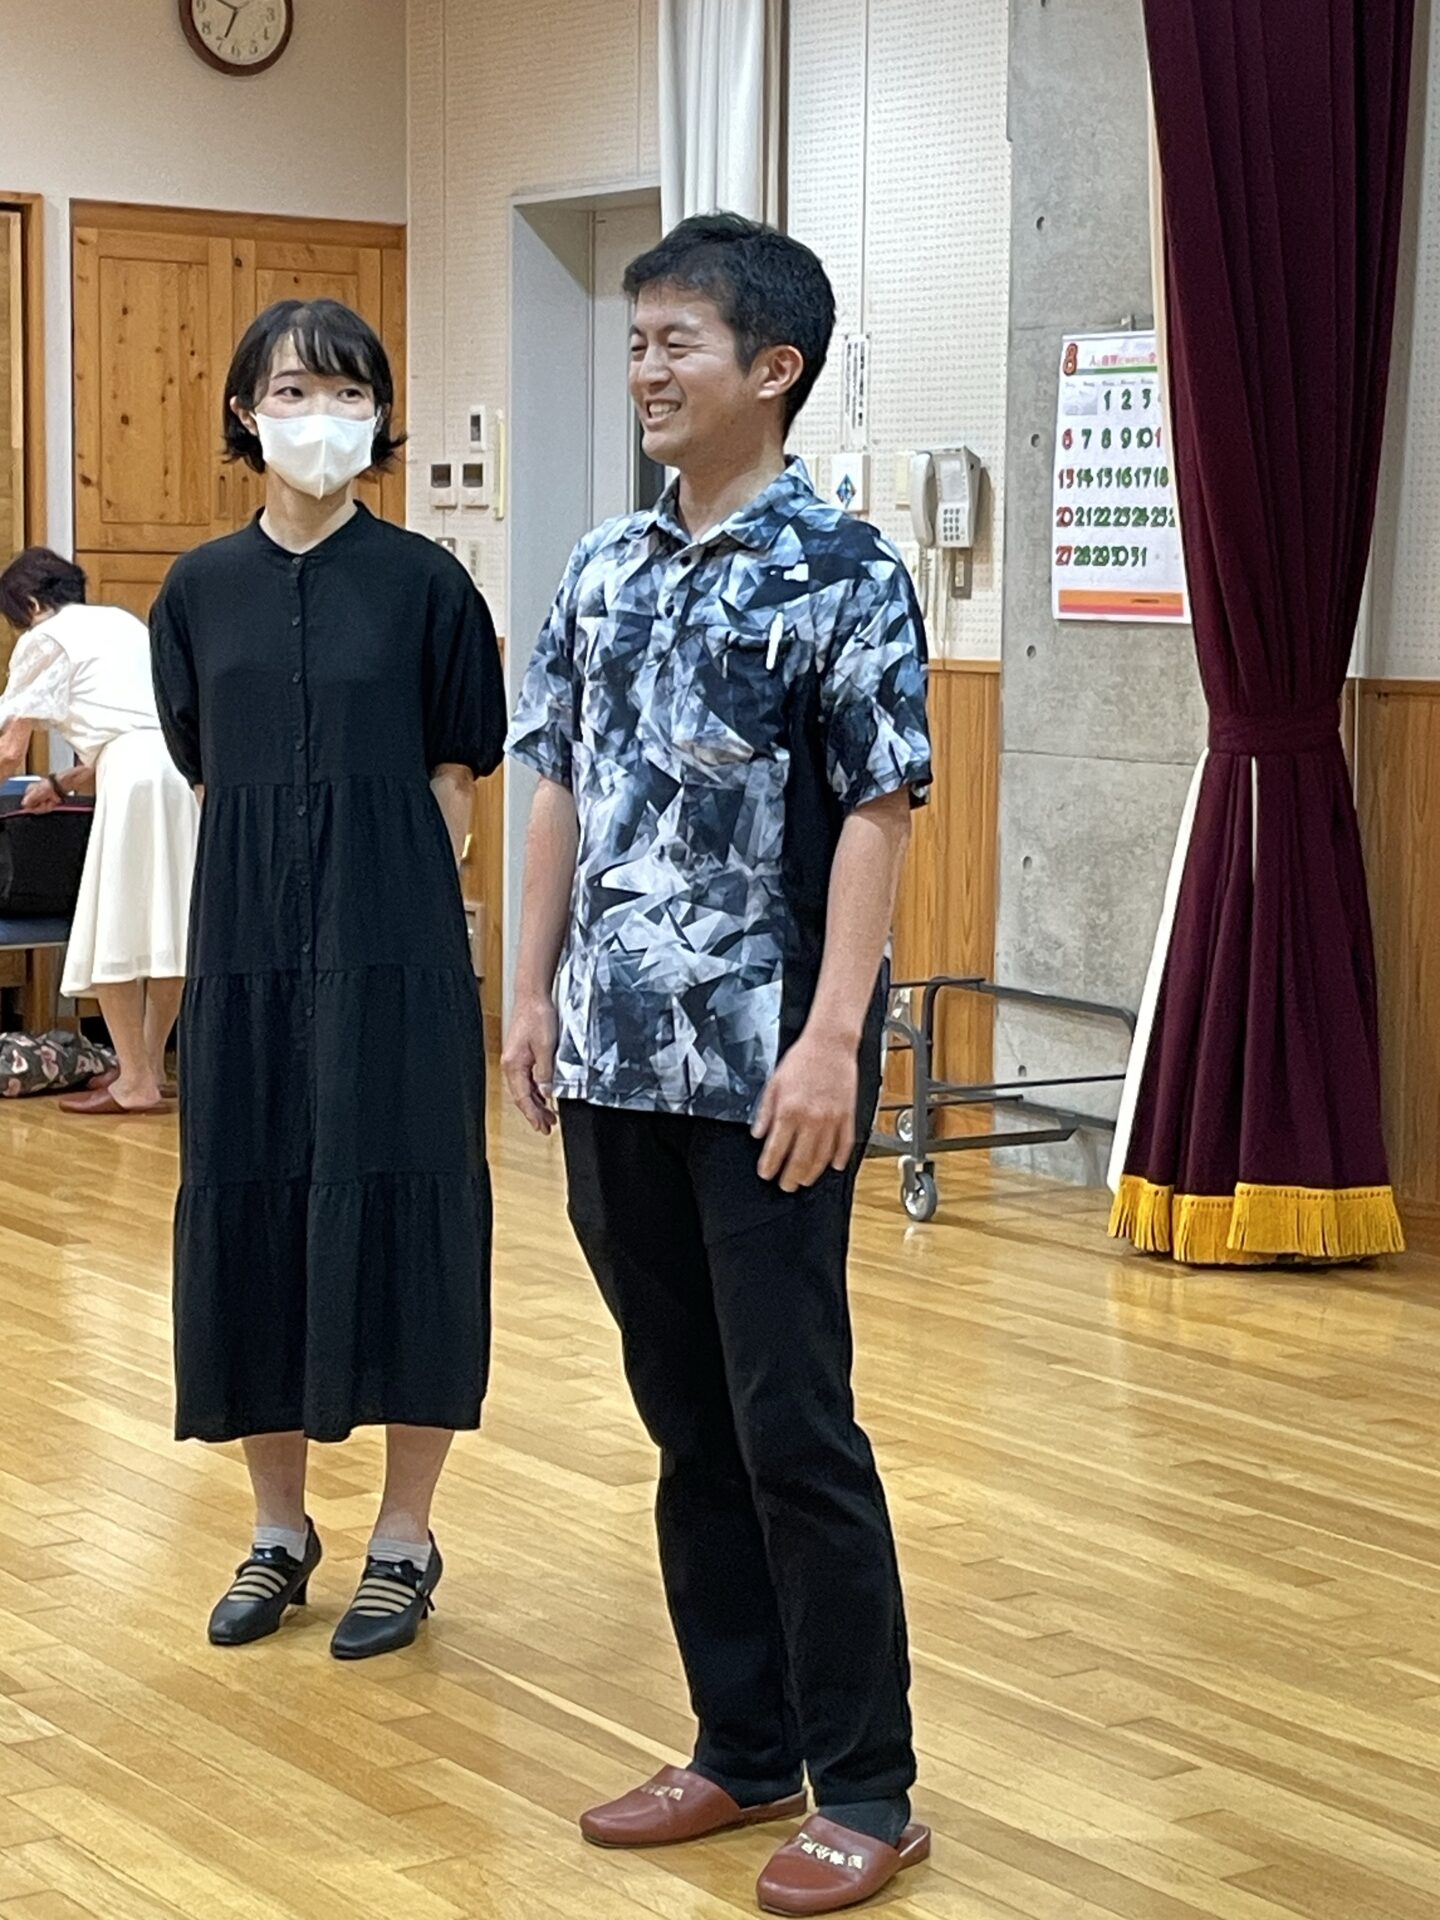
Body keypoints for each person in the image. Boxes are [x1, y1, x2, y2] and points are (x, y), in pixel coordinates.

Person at [503, 214, 933, 1917]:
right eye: (635, 342)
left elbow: (879, 811)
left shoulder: (844, 570)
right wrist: (526, 992)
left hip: (769, 1075)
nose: (646, 371)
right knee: (685, 1421)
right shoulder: (603, 567)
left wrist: (832, 1038)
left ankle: (869, 1786)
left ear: (774, 366)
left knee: (790, 1428)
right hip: (613, 1060)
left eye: (676, 341)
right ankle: (742, 1744)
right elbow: (556, 777)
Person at [150, 298, 505, 1659]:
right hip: (246, 945)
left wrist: (403, 909)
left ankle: (405, 1538)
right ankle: (277, 1529)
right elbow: (207, 762)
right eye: (294, 390)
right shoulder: (196, 590)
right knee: (248, 1199)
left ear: (380, 415)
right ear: (247, 412)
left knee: (412, 1200)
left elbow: (458, 773)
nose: (322, 414)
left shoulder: (427, 585)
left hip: (395, 943)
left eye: (350, 391)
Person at [0, 550, 199, 1113]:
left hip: (132, 780)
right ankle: (148, 1068)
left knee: (111, 923)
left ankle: (133, 1081)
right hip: (180, 773)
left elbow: (9, 751)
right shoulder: (123, 624)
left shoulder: (45, 637)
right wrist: (62, 783)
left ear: (30, 603)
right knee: (168, 928)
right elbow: (138, 727)